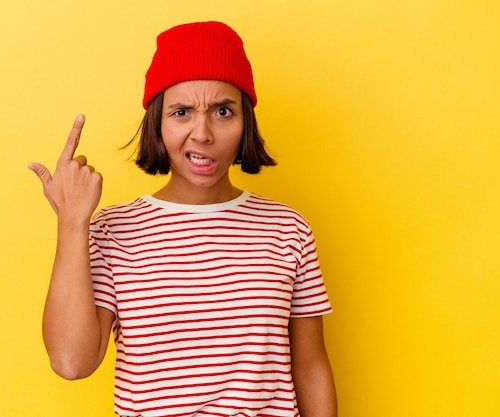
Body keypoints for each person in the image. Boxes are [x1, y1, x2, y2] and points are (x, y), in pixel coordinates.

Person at [29, 21, 337, 417]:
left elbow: (311, 369)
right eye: (181, 112)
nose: (202, 133)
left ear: (246, 124)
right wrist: (73, 222)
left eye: (223, 111)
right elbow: (72, 363)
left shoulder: (287, 229)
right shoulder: (112, 230)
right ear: (158, 122)